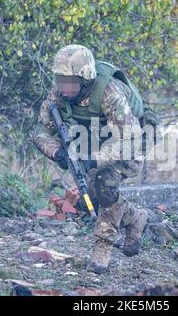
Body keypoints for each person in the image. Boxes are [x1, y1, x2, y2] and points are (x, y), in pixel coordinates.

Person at [32, 45, 150, 274]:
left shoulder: (109, 93)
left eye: (69, 81)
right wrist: (57, 153)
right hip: (92, 146)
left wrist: (93, 160)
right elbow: (39, 131)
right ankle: (135, 217)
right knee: (89, 202)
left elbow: (130, 139)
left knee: (105, 184)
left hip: (128, 145)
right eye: (59, 79)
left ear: (85, 79)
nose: (62, 86)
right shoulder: (58, 92)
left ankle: (102, 248)